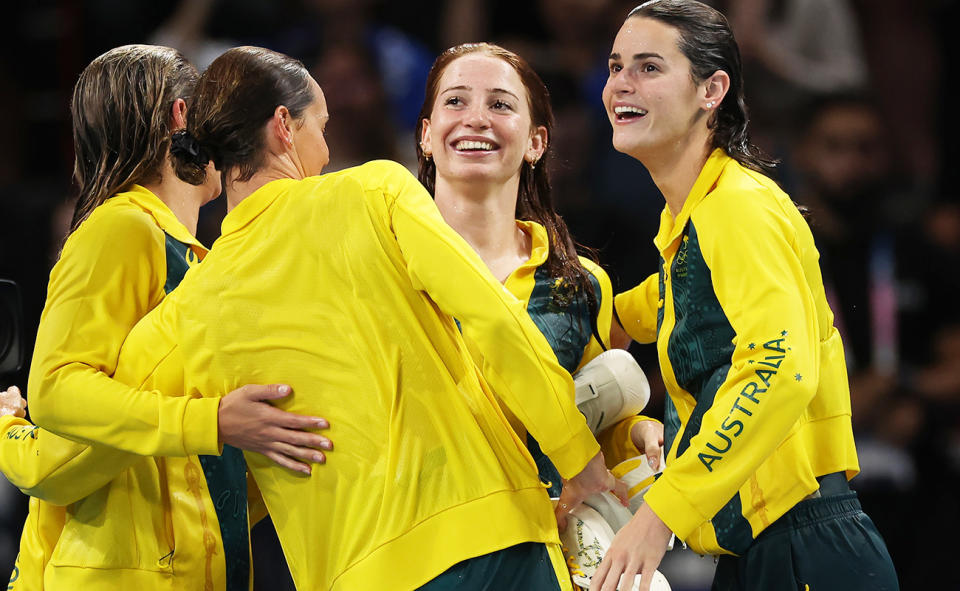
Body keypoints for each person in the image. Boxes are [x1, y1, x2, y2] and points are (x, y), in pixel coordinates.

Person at [37, 45, 616, 591]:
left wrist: (20, 431)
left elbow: (68, 438)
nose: (326, 148)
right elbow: (495, 321)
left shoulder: (191, 306)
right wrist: (580, 459)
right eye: (322, 126)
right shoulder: (377, 189)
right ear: (284, 127)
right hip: (493, 540)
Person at [591, 2, 899, 590]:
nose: (619, 84)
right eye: (615, 66)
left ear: (712, 89)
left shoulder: (737, 207)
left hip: (806, 549)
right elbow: (665, 305)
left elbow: (779, 368)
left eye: (648, 67)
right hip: (764, 554)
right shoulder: (697, 218)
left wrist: (660, 516)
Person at [1, 45, 331, 590]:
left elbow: (183, 461)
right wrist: (214, 423)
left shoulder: (195, 257)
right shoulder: (121, 229)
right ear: (183, 116)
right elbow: (58, 388)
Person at [415, 41, 663, 506]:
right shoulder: (380, 261)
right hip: (417, 542)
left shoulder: (580, 283)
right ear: (427, 135)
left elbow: (586, 422)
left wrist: (633, 432)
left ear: (536, 141)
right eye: (455, 101)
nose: (476, 118)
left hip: (541, 544)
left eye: (500, 105)